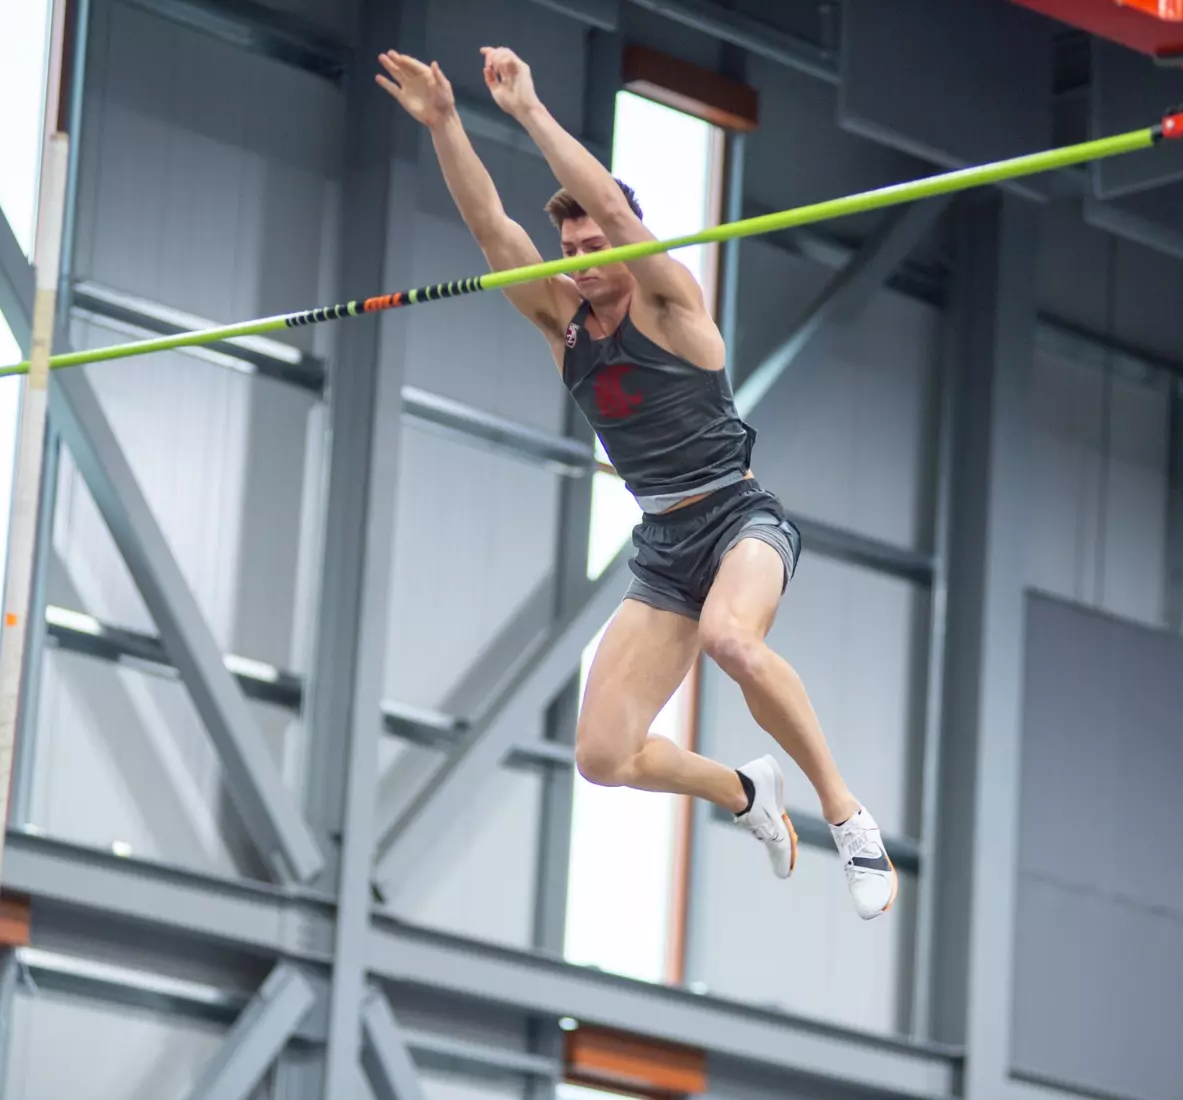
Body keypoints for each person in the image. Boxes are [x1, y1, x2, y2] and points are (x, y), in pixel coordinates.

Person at [376, 45, 897, 920]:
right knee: (603, 754)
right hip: (662, 545)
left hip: (739, 519)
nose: (579, 258)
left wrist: (530, 114)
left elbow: (614, 207)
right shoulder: (561, 322)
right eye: (568, 246)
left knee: (734, 641)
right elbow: (492, 231)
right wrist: (445, 123)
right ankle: (743, 791)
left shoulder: (670, 305)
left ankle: (846, 815)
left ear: (624, 243)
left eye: (593, 244)